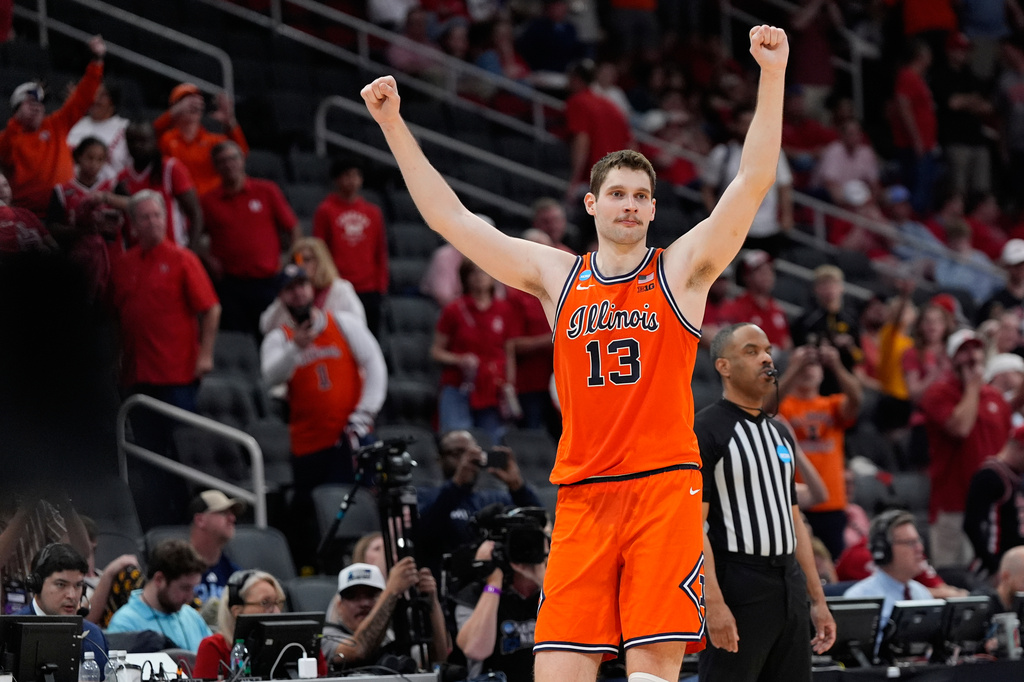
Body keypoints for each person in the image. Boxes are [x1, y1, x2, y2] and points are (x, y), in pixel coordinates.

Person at [362, 23, 789, 682]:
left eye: (641, 196)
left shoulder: (680, 272)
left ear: (652, 211)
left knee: (651, 675)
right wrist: (393, 126)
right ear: (591, 204)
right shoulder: (559, 277)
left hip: (661, 492)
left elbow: (753, 181)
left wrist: (773, 73)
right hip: (584, 495)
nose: (629, 204)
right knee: (556, 672)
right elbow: (455, 223)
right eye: (616, 193)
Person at [695, 323, 835, 682]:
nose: (767, 359)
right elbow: (694, 527)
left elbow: (793, 521)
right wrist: (713, 602)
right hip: (739, 581)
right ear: (723, 366)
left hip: (788, 582)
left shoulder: (779, 432)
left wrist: (817, 599)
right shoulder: (705, 429)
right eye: (751, 351)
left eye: (768, 350)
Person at [260, 264, 386, 567]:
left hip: (347, 438)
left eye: (303, 285)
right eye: (291, 288)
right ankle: (318, 569)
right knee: (312, 516)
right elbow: (269, 379)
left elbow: (375, 365)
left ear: (312, 288)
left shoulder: (342, 323)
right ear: (282, 297)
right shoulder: (279, 338)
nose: (299, 292)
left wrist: (364, 412)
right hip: (307, 443)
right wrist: (294, 349)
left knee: (352, 506)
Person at [109, 190, 220, 413]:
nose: (153, 222)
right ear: (133, 224)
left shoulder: (183, 259)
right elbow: (115, 313)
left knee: (177, 438)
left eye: (157, 215)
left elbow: (211, 308)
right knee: (142, 441)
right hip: (135, 372)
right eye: (145, 217)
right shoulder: (122, 264)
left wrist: (205, 355)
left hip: (175, 372)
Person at [920, 328, 1012, 567]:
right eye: (964, 351)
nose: (972, 356)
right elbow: (960, 428)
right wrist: (972, 387)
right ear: (952, 359)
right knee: (954, 577)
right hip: (952, 506)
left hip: (991, 509)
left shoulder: (996, 398)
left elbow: (1007, 449)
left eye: (976, 349)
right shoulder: (938, 393)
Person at [199, 140, 298, 338]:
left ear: (242, 160)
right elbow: (193, 236)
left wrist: (288, 260)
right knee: (237, 339)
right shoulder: (207, 200)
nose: (229, 164)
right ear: (216, 167)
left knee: (274, 338)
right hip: (230, 285)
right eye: (222, 161)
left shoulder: (267, 191)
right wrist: (207, 259)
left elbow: (293, 228)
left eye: (233, 158)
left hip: (268, 283)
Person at [0, 35, 105, 217]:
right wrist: (17, 122)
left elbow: (82, 99)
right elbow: (5, 154)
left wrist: (96, 61)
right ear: (16, 109)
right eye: (29, 103)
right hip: (28, 214)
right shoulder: (8, 136)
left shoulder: (55, 124)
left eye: (40, 103)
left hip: (66, 208)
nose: (36, 107)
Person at [777, 340, 863, 559]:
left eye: (813, 365)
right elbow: (765, 407)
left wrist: (837, 365)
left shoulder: (832, 405)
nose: (808, 369)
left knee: (834, 567)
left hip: (832, 503)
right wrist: (794, 367)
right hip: (794, 502)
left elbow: (856, 400)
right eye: (803, 365)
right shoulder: (784, 406)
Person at [417, 430, 543, 577]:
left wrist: (517, 486)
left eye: (472, 453)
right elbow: (424, 531)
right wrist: (456, 485)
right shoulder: (426, 496)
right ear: (440, 460)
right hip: (449, 584)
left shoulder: (495, 499)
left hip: (495, 583)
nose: (466, 460)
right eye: (458, 453)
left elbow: (539, 522)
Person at [431, 259, 516, 443]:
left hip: (492, 387)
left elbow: (508, 353)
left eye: (484, 272)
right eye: (473, 272)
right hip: (459, 384)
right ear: (465, 278)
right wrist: (459, 360)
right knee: (457, 442)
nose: (479, 278)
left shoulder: (504, 310)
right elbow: (436, 351)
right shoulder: (454, 309)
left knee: (491, 445)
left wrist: (510, 386)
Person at [455, 531, 547, 680]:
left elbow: (580, 636)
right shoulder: (476, 594)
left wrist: (543, 579)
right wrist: (493, 583)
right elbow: (475, 650)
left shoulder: (550, 591)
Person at [313, 156, 389, 338]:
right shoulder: (325, 211)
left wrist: (381, 286)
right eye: (347, 176)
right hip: (339, 286)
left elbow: (380, 251)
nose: (352, 180)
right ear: (337, 179)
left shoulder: (373, 212)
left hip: (369, 289)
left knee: (369, 340)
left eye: (356, 176)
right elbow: (319, 250)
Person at [702, 106, 794, 256]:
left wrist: (787, 216)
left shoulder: (774, 152)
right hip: (731, 230)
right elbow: (707, 189)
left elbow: (784, 187)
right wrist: (715, 219)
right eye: (744, 123)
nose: (749, 127)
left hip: (768, 228)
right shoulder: (722, 154)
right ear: (734, 125)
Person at [321, 561, 448, 669]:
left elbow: (438, 660)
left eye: (371, 595)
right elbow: (357, 650)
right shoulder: (328, 636)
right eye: (353, 597)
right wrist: (392, 591)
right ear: (339, 606)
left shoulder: (393, 636)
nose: (364, 603)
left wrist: (432, 603)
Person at [843, 510, 933, 652]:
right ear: (883, 550)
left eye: (918, 541)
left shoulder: (921, 593)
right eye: (911, 543)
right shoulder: (860, 599)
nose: (919, 548)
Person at [47, 137, 123, 298]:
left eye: (100, 159)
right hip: (76, 261)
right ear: (79, 157)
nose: (94, 164)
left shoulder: (112, 188)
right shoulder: (62, 191)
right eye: (90, 157)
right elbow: (52, 228)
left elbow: (130, 211)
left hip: (111, 259)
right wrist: (84, 231)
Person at [106, 539, 212, 652]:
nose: (190, 597)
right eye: (185, 588)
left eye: (193, 588)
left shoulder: (192, 617)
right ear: (159, 579)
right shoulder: (125, 624)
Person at [18, 544, 109, 666]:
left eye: (78, 585)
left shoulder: (94, 635)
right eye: (61, 584)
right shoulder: (11, 634)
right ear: (37, 585)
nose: (72, 595)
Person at [153, 83, 249, 196]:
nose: (192, 105)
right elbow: (152, 133)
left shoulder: (213, 141)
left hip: (212, 201)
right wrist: (175, 111)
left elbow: (241, 153)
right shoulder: (166, 139)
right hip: (180, 201)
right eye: (184, 100)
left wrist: (230, 123)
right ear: (175, 106)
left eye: (196, 102)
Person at [117, 121, 202, 248]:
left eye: (143, 141)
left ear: (154, 141)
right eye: (132, 141)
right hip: (138, 253)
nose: (137, 146)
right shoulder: (122, 177)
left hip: (173, 249)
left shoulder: (171, 168)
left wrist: (191, 251)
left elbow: (195, 213)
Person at [259, 237, 366, 335]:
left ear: (320, 261)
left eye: (306, 260)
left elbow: (359, 324)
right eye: (296, 260)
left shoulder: (340, 289)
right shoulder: (292, 293)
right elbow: (265, 327)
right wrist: (283, 298)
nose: (300, 265)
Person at [193, 570, 286, 678]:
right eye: (265, 603)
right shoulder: (214, 647)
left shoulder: (286, 647)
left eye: (277, 603)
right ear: (237, 611)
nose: (276, 611)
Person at [564, 59, 634, 199]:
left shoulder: (579, 101)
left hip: (594, 181)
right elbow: (632, 144)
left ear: (576, 79)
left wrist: (574, 180)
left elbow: (582, 141)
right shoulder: (612, 106)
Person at [963, 425, 1024, 578]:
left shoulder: (1016, 476)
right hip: (994, 567)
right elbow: (972, 525)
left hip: (1016, 565)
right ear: (1019, 448)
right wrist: (994, 567)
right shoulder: (989, 476)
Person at [791, 265, 863, 395]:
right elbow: (795, 352)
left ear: (841, 288)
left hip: (842, 382)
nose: (829, 289)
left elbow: (860, 358)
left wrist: (849, 346)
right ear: (816, 289)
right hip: (814, 383)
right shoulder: (807, 320)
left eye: (833, 284)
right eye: (823, 285)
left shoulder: (851, 320)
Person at [719, 249, 792, 350]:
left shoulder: (778, 310)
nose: (767, 274)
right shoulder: (734, 308)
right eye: (760, 271)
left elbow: (786, 344)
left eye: (769, 269)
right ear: (746, 276)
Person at [188, 490, 245, 606]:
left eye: (232, 514)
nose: (232, 519)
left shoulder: (234, 574)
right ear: (200, 520)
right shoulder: (176, 572)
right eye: (223, 513)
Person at [67, 83, 130, 182]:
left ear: (112, 101)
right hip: (71, 188)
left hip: (109, 189)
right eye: (93, 94)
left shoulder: (125, 128)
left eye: (102, 95)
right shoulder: (74, 123)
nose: (95, 99)